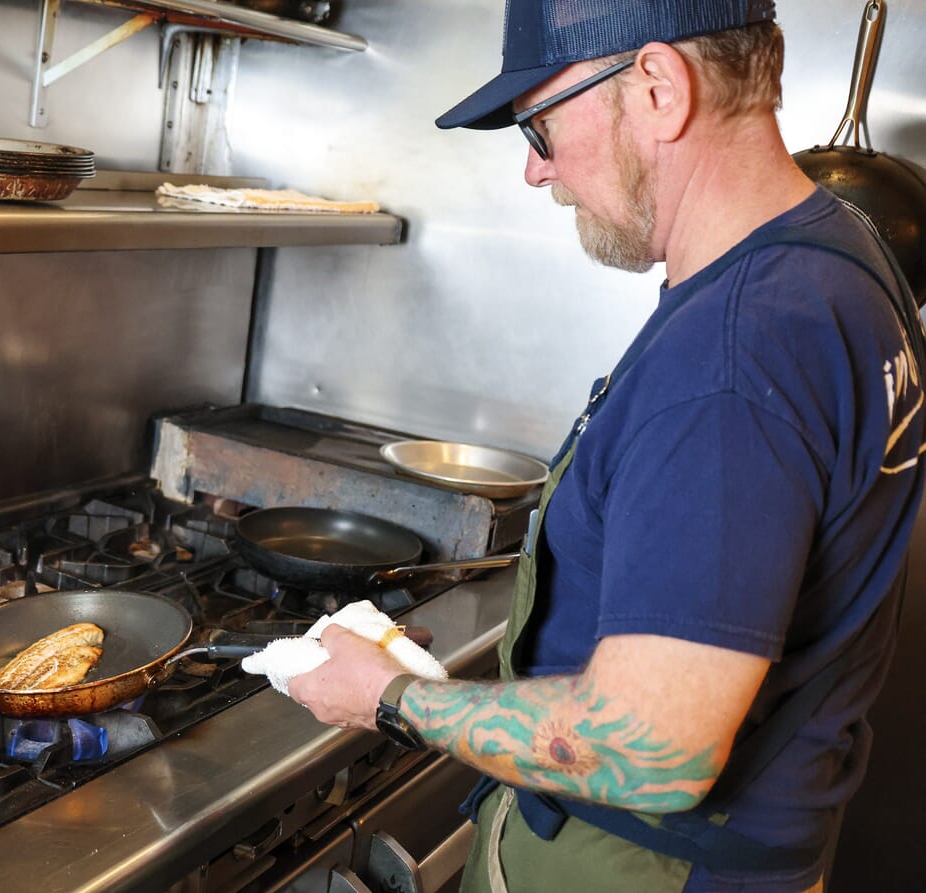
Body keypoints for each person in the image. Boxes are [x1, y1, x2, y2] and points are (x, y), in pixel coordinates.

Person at [286, 2, 926, 891]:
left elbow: (653, 752)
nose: (533, 170)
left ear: (660, 88)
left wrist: (389, 699)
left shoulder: (735, 356)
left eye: (540, 125)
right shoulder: (840, 254)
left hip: (651, 864)